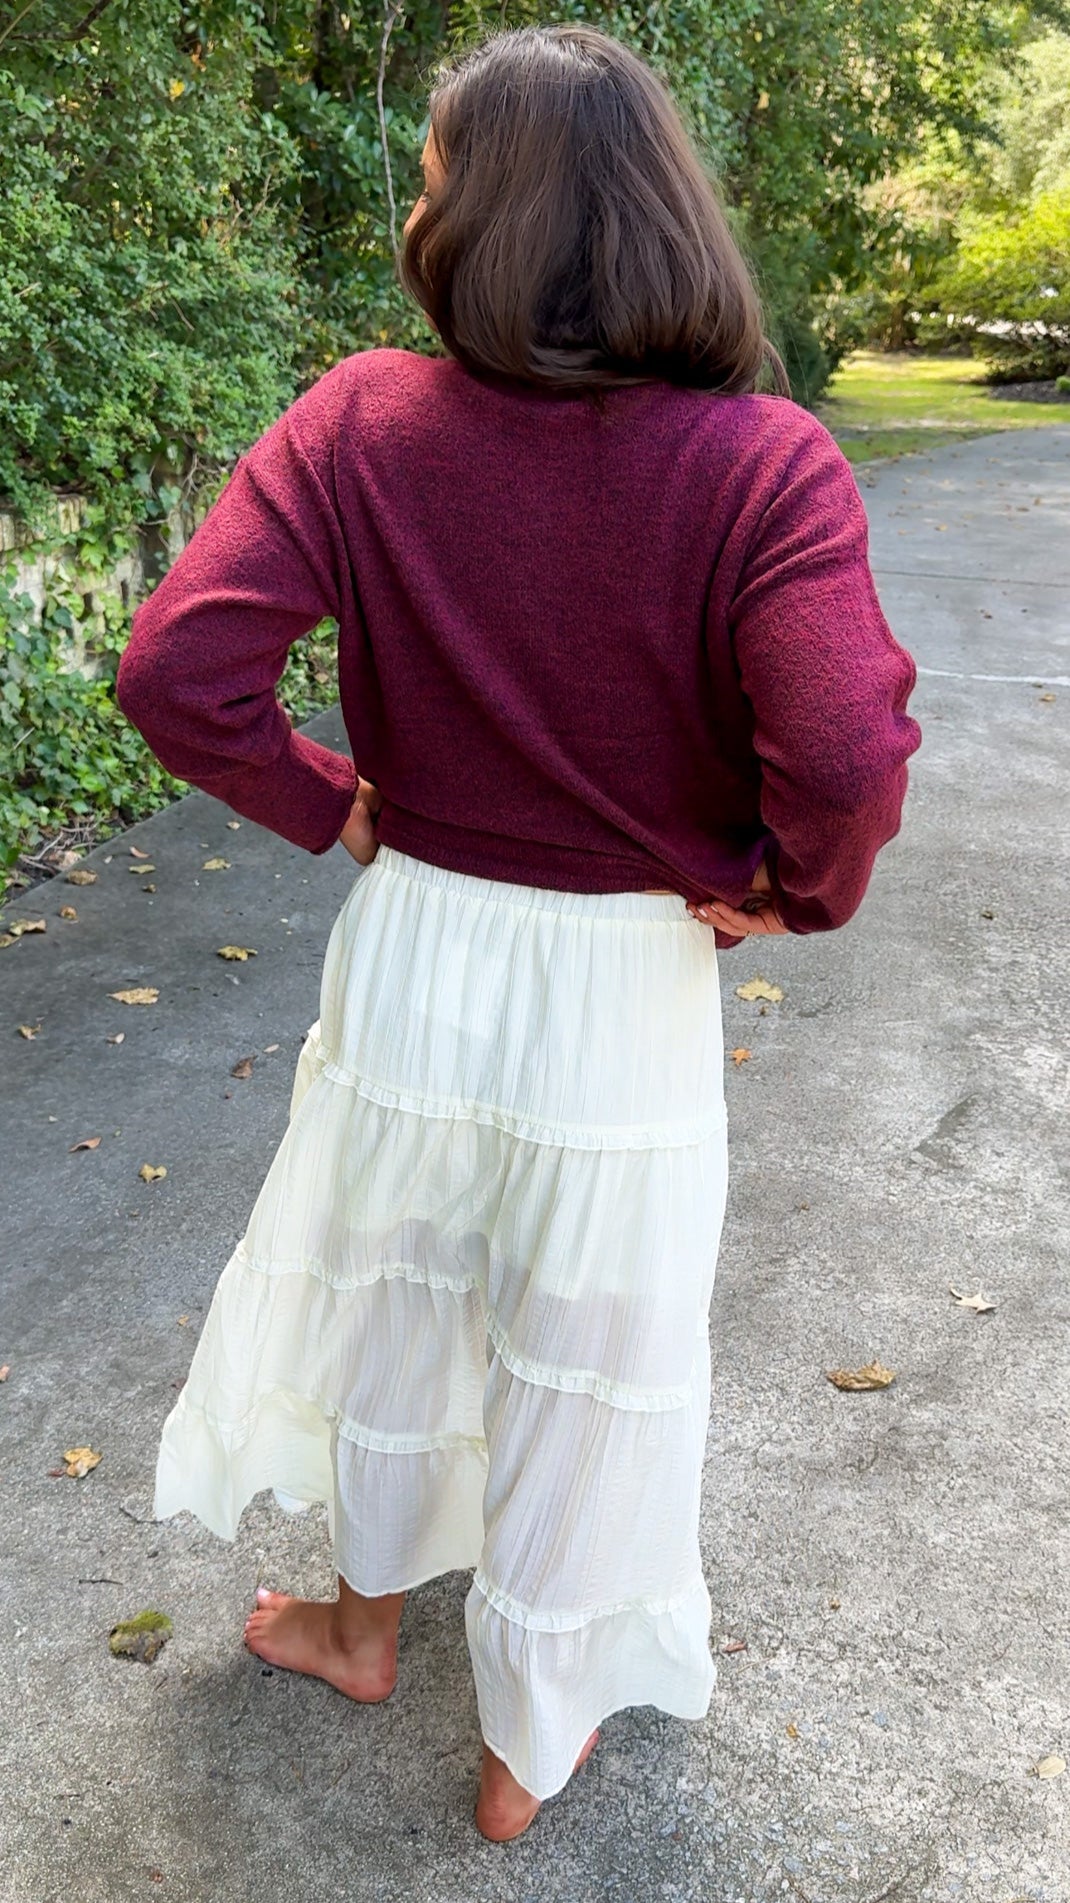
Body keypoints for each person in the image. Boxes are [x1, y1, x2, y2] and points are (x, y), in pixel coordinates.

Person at [115, 22, 922, 1843]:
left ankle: (360, 1625)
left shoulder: (362, 422)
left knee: (400, 1296)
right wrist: (788, 883)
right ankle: (526, 1739)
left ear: (483, 219)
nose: (415, 204)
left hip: (419, 947)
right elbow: (848, 750)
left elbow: (178, 669)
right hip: (625, 973)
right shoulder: (760, 461)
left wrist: (327, 798)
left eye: (430, 175)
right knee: (594, 1339)